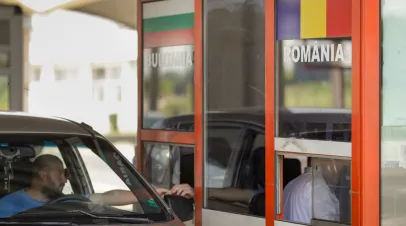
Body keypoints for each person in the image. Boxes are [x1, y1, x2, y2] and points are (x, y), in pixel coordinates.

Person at [0, 154, 171, 218]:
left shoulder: (69, 201)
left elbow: (108, 197)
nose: (64, 180)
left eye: (66, 174)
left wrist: (148, 194)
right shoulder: (7, 206)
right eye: (60, 173)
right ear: (43, 175)